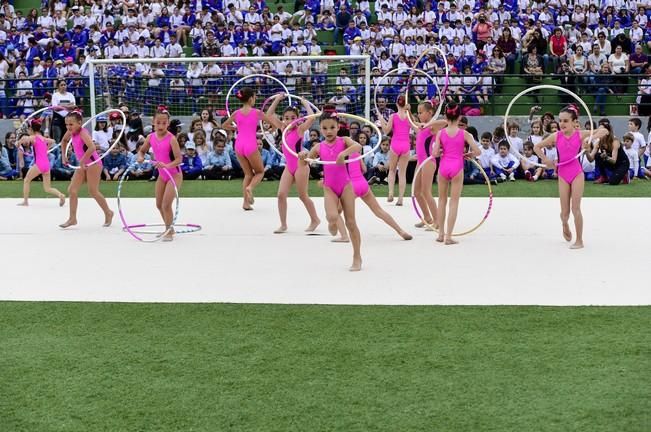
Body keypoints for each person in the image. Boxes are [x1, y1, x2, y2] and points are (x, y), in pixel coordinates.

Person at [534, 105, 609, 249]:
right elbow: (537, 147)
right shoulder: (556, 136)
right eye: (560, 120)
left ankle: (579, 240)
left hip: (576, 173)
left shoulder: (580, 134)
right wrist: (546, 160)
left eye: (566, 121)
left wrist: (590, 139)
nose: (562, 124)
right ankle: (564, 224)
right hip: (562, 173)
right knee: (565, 213)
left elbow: (604, 130)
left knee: (576, 209)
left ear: (575, 122)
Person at [299, 105, 363, 271]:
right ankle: (332, 223)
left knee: (351, 222)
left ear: (338, 127)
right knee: (332, 216)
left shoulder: (343, 141)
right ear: (320, 129)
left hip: (346, 185)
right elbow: (306, 162)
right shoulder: (318, 147)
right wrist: (303, 157)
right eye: (325, 128)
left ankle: (357, 257)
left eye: (332, 127)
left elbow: (358, 147)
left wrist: (344, 153)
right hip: (329, 187)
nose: (329, 131)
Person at [266, 95, 320, 234]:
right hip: (289, 167)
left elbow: (312, 117)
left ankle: (315, 220)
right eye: (287, 117)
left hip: (301, 165)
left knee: (303, 196)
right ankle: (283, 225)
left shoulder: (300, 129)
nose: (290, 120)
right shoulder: (283, 128)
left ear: (297, 118)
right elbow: (269, 115)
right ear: (284, 118)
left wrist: (304, 102)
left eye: (292, 117)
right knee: (281, 195)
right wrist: (277, 99)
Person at [432, 103, 481, 245]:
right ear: (459, 117)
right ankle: (448, 237)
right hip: (457, 166)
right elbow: (478, 152)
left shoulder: (440, 133)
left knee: (441, 200)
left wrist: (441, 151)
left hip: (444, 165)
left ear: (446, 116)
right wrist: (468, 154)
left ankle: (440, 234)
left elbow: (434, 153)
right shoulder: (464, 133)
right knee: (454, 202)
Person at [222, 87, 278, 210]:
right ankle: (250, 188)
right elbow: (274, 124)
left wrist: (236, 129)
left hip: (238, 145)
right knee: (260, 172)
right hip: (250, 144)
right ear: (251, 98)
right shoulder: (257, 112)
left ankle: (245, 203)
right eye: (255, 97)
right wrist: (269, 131)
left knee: (248, 174)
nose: (255, 99)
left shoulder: (237, 113)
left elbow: (224, 125)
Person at [59, 110, 114, 229]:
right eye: (66, 125)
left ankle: (108, 212)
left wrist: (82, 160)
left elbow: (92, 147)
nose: (68, 127)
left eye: (71, 124)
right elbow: (63, 141)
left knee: (93, 191)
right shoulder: (71, 132)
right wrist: (64, 156)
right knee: (72, 190)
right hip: (82, 164)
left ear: (80, 123)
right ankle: (72, 219)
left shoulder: (83, 132)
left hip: (93, 163)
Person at [135, 107, 183, 241]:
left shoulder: (171, 139)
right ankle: (170, 228)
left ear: (168, 123)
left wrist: (167, 165)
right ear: (153, 122)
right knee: (158, 204)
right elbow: (142, 151)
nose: (161, 126)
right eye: (158, 123)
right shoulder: (150, 137)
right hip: (162, 175)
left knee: (166, 205)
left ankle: (168, 230)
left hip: (174, 175)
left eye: (164, 123)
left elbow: (179, 159)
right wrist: (140, 157)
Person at [412, 100, 447, 229]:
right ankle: (427, 217)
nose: (419, 114)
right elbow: (412, 122)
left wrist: (428, 123)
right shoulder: (422, 126)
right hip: (420, 162)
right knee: (416, 192)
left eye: (421, 112)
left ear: (430, 112)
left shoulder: (432, 127)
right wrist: (408, 111)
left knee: (426, 192)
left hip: (428, 162)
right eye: (418, 112)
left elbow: (445, 122)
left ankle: (437, 220)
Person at [16, 119, 65, 206]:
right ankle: (60, 195)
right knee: (47, 188)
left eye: (28, 129)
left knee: (26, 180)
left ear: (31, 129)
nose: (27, 131)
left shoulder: (34, 137)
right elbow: (53, 141)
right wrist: (46, 149)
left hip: (39, 164)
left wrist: (18, 142)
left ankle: (25, 201)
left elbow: (25, 138)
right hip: (47, 165)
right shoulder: (43, 138)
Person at [377, 95, 411, 206]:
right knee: (402, 173)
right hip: (405, 145)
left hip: (395, 144)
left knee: (391, 170)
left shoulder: (393, 116)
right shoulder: (409, 116)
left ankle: (391, 192)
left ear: (397, 103)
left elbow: (386, 131)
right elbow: (416, 129)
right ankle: (400, 198)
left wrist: (381, 119)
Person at [588, 121, 630, 186]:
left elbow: (613, 160)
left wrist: (606, 157)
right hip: (612, 164)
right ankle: (603, 177)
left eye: (601, 131)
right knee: (597, 156)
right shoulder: (598, 142)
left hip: (622, 164)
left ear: (607, 133)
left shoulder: (615, 141)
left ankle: (625, 174)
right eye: (598, 130)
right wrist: (586, 151)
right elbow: (591, 159)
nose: (598, 132)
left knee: (612, 182)